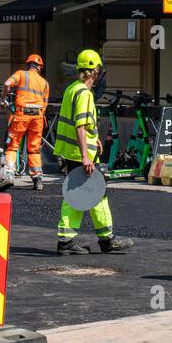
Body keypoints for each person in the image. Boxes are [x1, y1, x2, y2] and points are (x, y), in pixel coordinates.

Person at [53, 49, 131, 255]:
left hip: (71, 152)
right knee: (92, 193)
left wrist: (93, 136)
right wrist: (86, 156)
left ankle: (91, 239)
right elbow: (79, 125)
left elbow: (81, 123)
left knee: (83, 194)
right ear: (95, 71)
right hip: (81, 156)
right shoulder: (85, 94)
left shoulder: (73, 88)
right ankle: (99, 240)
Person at [0, 54, 50, 191]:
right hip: (38, 117)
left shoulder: (21, 74)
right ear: (40, 67)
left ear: (28, 65)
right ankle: (37, 178)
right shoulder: (45, 83)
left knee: (12, 145)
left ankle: (9, 175)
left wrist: (3, 99)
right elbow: (45, 105)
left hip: (22, 115)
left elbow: (7, 84)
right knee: (34, 148)